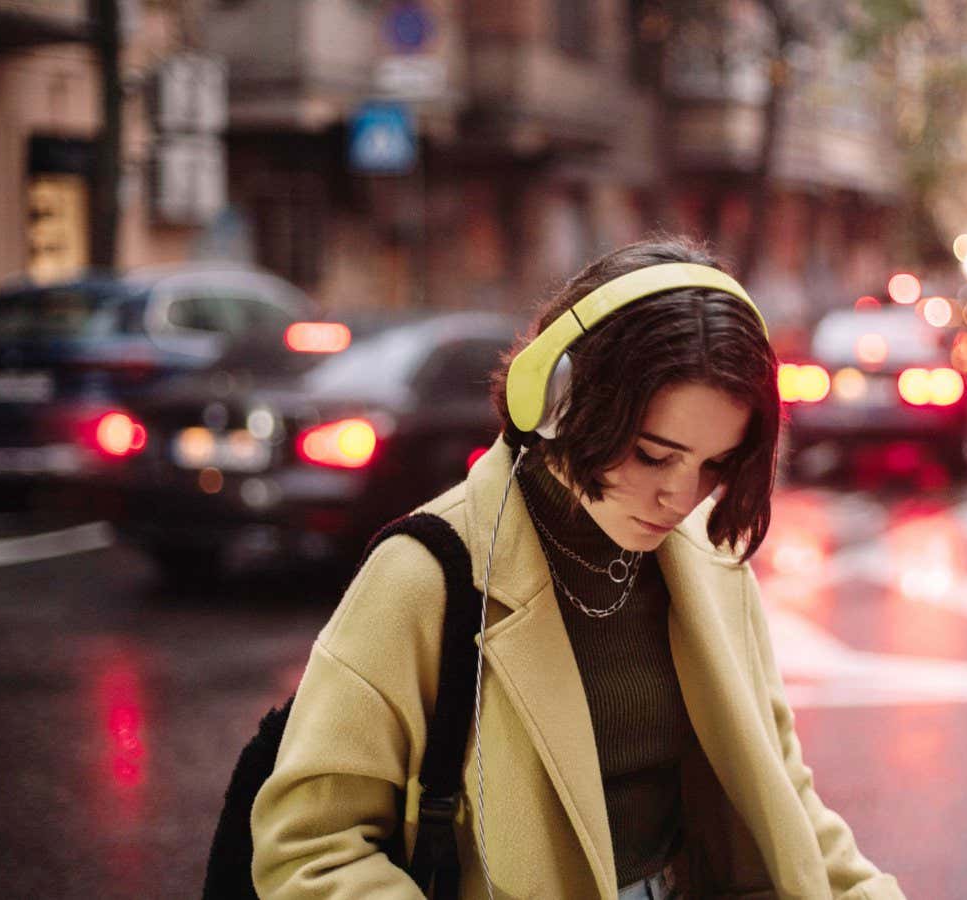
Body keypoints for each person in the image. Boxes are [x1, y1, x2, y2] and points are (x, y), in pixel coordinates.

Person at [250, 236, 905, 899]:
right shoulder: (425, 576)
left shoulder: (710, 570)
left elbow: (782, 796)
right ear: (559, 398)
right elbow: (313, 851)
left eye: (713, 464)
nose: (681, 497)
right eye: (652, 454)